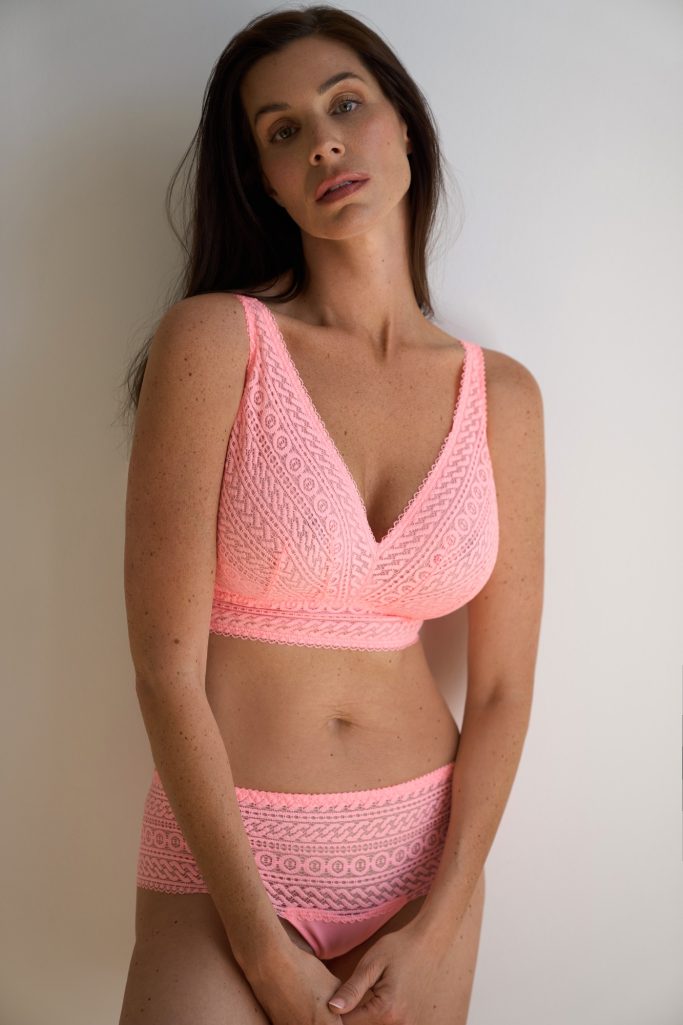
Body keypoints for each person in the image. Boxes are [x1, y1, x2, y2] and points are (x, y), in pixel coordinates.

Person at [117, 5, 545, 1024]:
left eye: (345, 105)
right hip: (228, 863)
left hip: (424, 872)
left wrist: (439, 918)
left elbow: (500, 691)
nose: (322, 142)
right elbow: (164, 669)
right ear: (265, 180)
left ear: (405, 125)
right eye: (282, 130)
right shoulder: (217, 342)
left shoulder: (503, 395)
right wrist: (258, 944)